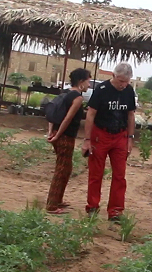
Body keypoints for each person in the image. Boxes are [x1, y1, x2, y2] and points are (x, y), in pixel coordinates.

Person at [82, 62, 137, 221]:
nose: (123, 85)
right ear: (113, 76)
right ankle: (92, 206)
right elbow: (91, 114)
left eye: (126, 81)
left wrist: (130, 138)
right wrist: (87, 139)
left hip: (120, 135)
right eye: (121, 81)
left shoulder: (129, 91)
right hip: (101, 135)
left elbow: (131, 115)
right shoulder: (102, 90)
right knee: (96, 173)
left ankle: (115, 211)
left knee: (120, 175)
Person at [45, 68, 91, 214]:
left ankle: (57, 200)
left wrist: (51, 132)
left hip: (58, 135)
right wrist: (58, 135)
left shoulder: (64, 94)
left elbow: (52, 114)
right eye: (88, 81)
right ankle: (52, 205)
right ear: (81, 82)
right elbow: (67, 119)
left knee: (66, 168)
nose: (89, 85)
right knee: (61, 170)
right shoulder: (77, 98)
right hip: (65, 137)